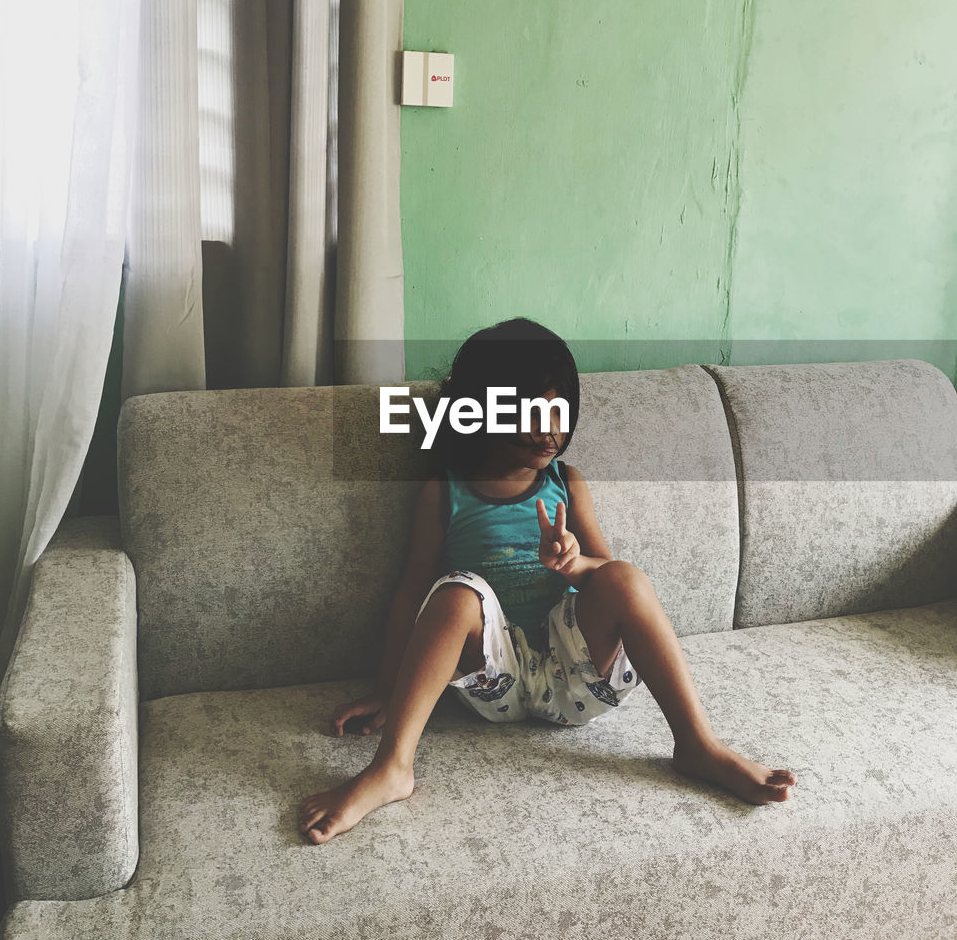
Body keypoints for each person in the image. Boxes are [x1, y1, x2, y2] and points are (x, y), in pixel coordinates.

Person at [299, 318, 796, 844]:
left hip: (576, 673)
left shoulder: (567, 483)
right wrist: (384, 687)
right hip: (496, 676)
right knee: (451, 593)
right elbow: (408, 594)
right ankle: (393, 768)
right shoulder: (445, 492)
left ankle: (697, 744)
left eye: (559, 410)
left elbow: (607, 580)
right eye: (530, 411)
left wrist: (573, 565)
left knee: (624, 577)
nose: (549, 428)